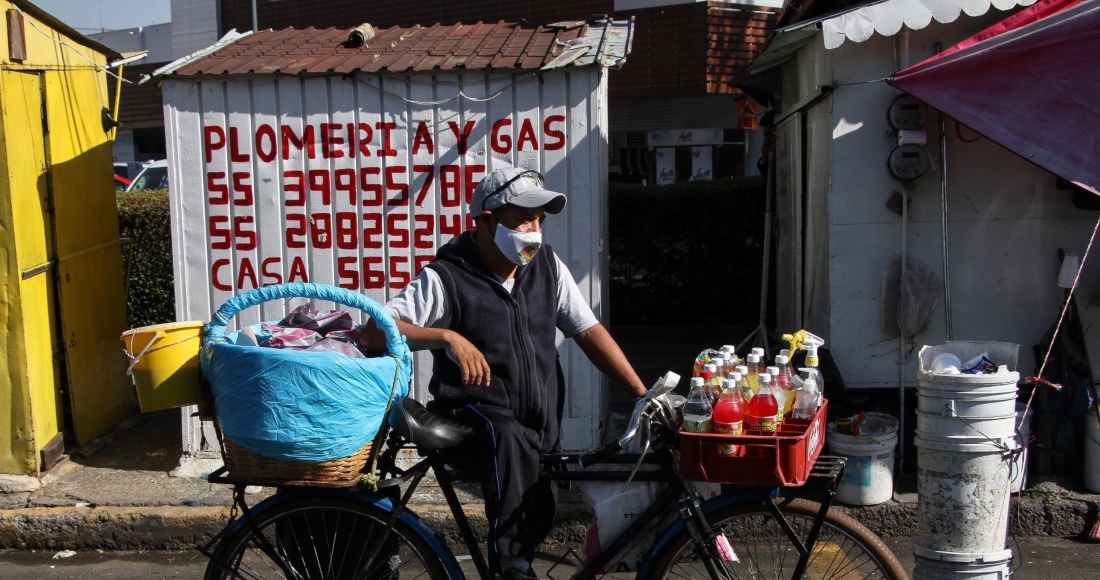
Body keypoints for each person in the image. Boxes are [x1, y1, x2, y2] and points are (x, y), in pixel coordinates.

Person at [376, 166, 647, 579]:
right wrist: (446, 336)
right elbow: (377, 331)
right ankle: (512, 565)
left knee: (542, 505)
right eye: (523, 218)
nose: (534, 230)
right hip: (475, 420)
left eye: (539, 219)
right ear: (488, 220)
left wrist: (641, 394)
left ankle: (515, 561)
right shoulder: (446, 276)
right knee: (502, 439)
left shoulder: (548, 269)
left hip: (537, 423)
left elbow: (588, 331)